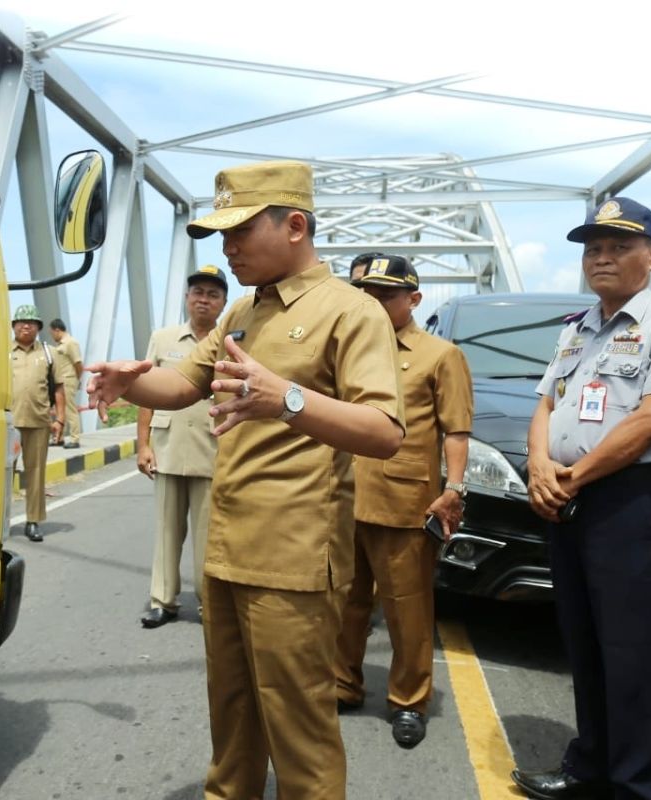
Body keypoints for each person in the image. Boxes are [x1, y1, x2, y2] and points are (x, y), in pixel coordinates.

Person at [87, 160, 404, 800]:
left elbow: (384, 429)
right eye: (220, 235)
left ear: (294, 225)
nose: (227, 249)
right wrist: (131, 384)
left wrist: (286, 399)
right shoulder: (242, 310)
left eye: (238, 232)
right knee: (230, 718)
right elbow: (181, 385)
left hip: (292, 557)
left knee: (299, 736)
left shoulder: (349, 311)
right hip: (228, 552)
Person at [514, 198, 651, 800]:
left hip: (628, 503)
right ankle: (589, 767)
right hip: (567, 502)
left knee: (636, 653)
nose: (601, 257)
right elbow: (546, 403)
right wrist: (540, 466)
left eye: (618, 246)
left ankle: (639, 787)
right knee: (587, 642)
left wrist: (572, 477)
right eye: (593, 248)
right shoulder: (576, 328)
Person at [334, 255, 473, 748]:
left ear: (414, 300)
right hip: (343, 493)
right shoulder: (343, 351)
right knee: (343, 603)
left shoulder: (441, 355)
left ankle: (409, 699)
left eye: (386, 295)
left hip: (404, 500)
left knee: (406, 609)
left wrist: (452, 489)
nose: (372, 303)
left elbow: (456, 430)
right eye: (365, 293)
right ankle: (343, 684)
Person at [137, 265, 229, 629]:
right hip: (168, 447)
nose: (203, 300)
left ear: (223, 303)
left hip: (211, 450)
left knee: (210, 537)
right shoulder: (163, 339)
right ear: (187, 298)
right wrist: (142, 444)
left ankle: (211, 604)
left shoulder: (232, 342)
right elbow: (146, 392)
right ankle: (163, 600)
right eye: (198, 292)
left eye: (213, 294)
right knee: (166, 532)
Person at [10, 304, 66, 542]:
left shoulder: (48, 353)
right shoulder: (1, 352)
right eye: (21, 322)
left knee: (35, 474)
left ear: (38, 327)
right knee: (3, 475)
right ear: (13, 326)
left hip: (39, 421)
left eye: (31, 322)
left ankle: (32, 520)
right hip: (9, 424)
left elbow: (60, 388)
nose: (26, 325)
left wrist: (60, 419)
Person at [49, 319, 84, 448]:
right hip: (60, 380)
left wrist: (77, 379)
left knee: (70, 409)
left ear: (57, 330)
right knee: (59, 409)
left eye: (52, 333)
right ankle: (59, 437)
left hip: (68, 379)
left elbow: (78, 363)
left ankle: (75, 439)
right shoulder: (60, 345)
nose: (52, 336)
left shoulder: (71, 343)